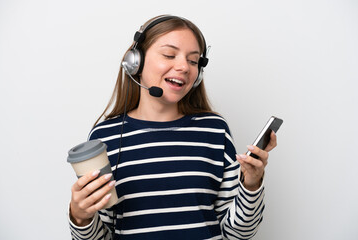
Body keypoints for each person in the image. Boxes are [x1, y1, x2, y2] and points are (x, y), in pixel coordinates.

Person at [68, 15, 277, 240]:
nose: (184, 67)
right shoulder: (104, 137)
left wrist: (252, 185)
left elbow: (238, 234)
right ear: (135, 61)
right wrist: (80, 217)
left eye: (193, 61)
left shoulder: (215, 131)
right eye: (169, 55)